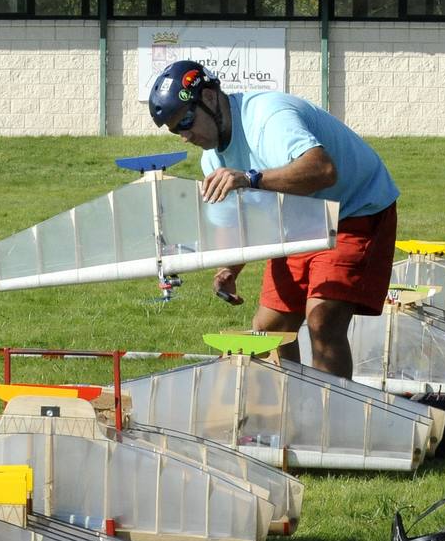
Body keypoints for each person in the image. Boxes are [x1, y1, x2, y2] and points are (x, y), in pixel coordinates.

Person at [147, 61, 399, 379]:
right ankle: (292, 409)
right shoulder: (212, 158)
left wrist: (250, 178)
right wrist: (231, 268)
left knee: (322, 320)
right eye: (175, 130)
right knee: (268, 329)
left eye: (185, 121)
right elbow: (237, 219)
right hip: (301, 220)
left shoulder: (269, 118)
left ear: (209, 98)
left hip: (354, 209)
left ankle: (329, 420)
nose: (185, 136)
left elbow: (323, 170)